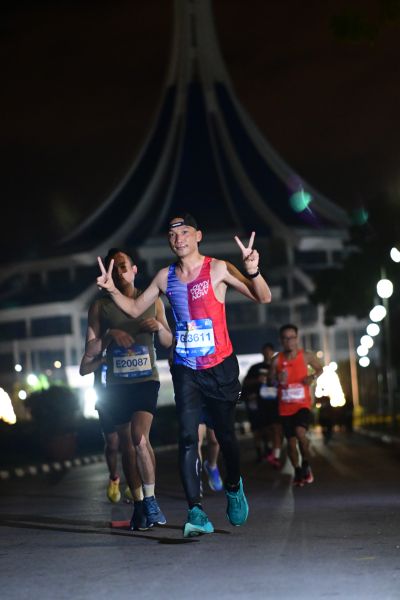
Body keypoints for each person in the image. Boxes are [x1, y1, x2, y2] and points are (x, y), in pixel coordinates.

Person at [96, 213, 272, 537]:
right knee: (189, 437)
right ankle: (196, 511)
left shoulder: (218, 268)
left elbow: (263, 296)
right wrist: (112, 291)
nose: (178, 239)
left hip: (220, 366)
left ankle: (234, 486)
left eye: (185, 232)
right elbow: (134, 309)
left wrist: (253, 270)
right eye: (173, 234)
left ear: (198, 236)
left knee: (225, 436)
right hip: (185, 368)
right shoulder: (165, 277)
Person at [81, 248, 173, 530]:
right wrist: (109, 335)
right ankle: (140, 504)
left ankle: (152, 500)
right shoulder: (101, 307)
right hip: (116, 387)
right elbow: (89, 352)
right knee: (127, 449)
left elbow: (168, 341)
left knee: (139, 439)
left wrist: (159, 327)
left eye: (123, 266)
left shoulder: (152, 299)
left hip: (146, 381)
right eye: (113, 268)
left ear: (134, 270)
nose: (118, 272)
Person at [270, 324, 323, 487]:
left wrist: (312, 377)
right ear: (281, 340)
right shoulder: (276, 360)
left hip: (302, 405)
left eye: (292, 337)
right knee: (291, 443)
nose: (289, 341)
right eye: (285, 338)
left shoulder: (306, 356)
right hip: (285, 408)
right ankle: (298, 470)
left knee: (300, 433)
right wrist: (277, 379)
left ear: (297, 338)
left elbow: (320, 369)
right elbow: (270, 381)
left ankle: (306, 463)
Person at [242, 343, 283, 468]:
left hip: (275, 403)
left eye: (269, 351)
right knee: (260, 430)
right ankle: (262, 452)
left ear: (273, 353)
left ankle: (274, 455)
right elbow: (246, 382)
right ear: (262, 353)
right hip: (259, 404)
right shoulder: (256, 368)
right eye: (265, 351)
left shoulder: (279, 367)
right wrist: (257, 380)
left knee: (276, 429)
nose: (267, 354)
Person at [198, 408, 223, 494]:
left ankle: (211, 466)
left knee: (215, 440)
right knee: (197, 442)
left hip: (212, 402)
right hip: (196, 403)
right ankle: (196, 479)